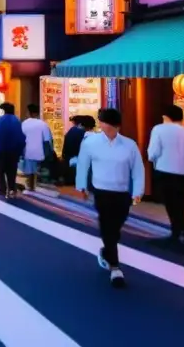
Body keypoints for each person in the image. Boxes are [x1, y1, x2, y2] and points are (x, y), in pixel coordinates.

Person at [76, 108, 145, 288]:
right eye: (101, 121)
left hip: (122, 193)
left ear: (116, 125)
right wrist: (81, 186)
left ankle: (107, 250)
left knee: (116, 227)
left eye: (105, 122)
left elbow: (137, 170)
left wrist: (138, 191)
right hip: (101, 191)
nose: (102, 125)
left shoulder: (129, 145)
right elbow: (83, 164)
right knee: (108, 227)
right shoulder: (91, 142)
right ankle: (115, 268)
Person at [148, 104, 184, 246]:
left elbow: (153, 152)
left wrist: (153, 160)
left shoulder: (159, 129)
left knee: (171, 205)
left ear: (165, 117)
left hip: (165, 171)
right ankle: (181, 232)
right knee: (178, 204)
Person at [0, 101, 25, 199]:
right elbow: (21, 137)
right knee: (12, 171)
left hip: (1, 150)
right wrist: (20, 151)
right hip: (13, 151)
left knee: (0, 171)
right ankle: (12, 189)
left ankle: (2, 189)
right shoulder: (17, 121)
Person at [20, 104, 53, 192]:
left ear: (29, 112)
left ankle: (31, 185)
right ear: (37, 113)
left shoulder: (24, 124)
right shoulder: (43, 124)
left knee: (30, 169)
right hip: (40, 150)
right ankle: (35, 183)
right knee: (38, 168)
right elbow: (47, 139)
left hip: (28, 150)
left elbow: (21, 138)